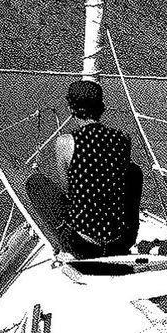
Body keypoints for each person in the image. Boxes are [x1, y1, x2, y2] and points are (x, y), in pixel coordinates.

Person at [25, 80, 142, 260]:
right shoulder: (123, 139)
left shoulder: (65, 142)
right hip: (120, 243)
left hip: (84, 245)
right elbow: (118, 184)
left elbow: (68, 190)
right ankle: (116, 234)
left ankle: (62, 244)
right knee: (134, 171)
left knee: (35, 183)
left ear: (72, 109)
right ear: (101, 107)